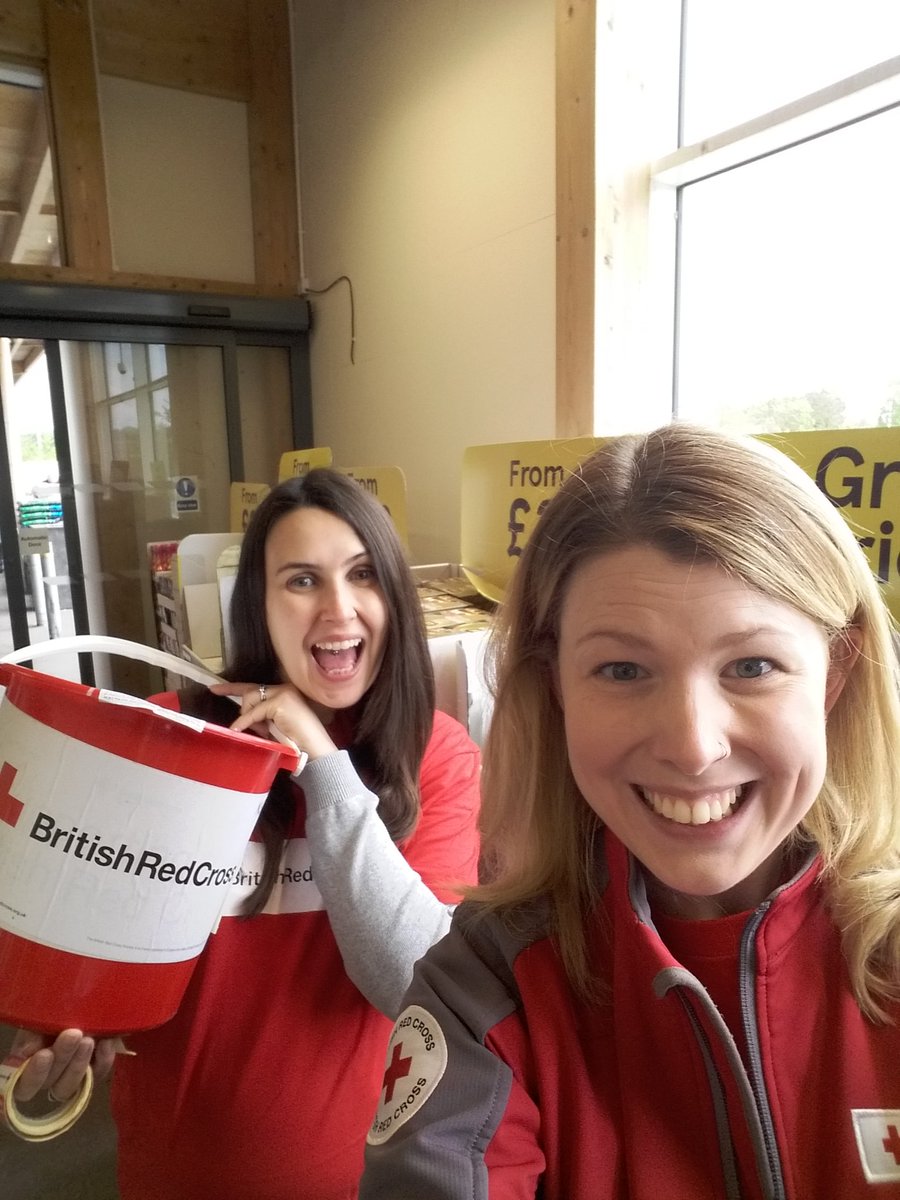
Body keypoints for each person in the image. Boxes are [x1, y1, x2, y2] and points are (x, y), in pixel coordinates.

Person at [360, 424, 900, 1199]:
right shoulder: (482, 991)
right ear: (555, 688)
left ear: (835, 672)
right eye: (621, 669)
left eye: (752, 666)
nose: (690, 745)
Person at [10, 468, 481, 1199]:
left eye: (362, 574)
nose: (338, 609)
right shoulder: (173, 733)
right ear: (258, 606)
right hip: (173, 1173)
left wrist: (320, 766)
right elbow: (95, 929)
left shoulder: (436, 756)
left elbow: (412, 983)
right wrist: (66, 1019)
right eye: (300, 580)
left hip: (362, 1181)